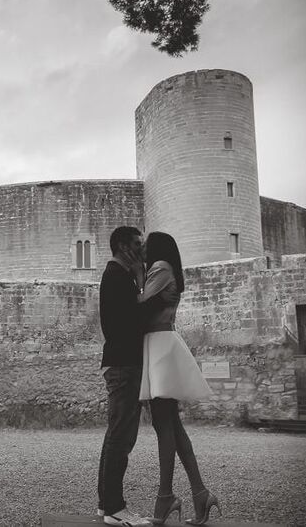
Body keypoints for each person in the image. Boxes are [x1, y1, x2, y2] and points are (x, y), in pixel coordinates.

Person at [137, 231, 220, 526]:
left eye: (146, 243)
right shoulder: (168, 268)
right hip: (163, 343)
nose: (142, 247)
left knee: (163, 425)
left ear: (157, 248)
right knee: (173, 426)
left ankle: (165, 497)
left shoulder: (159, 267)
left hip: (159, 345)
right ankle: (199, 493)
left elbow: (141, 304)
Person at [97, 226, 177, 527]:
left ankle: (107, 505)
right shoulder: (118, 276)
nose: (143, 250)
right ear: (122, 245)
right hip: (125, 365)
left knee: (116, 436)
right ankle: (115, 508)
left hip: (123, 363)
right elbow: (131, 320)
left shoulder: (119, 275)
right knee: (121, 437)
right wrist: (160, 299)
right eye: (137, 244)